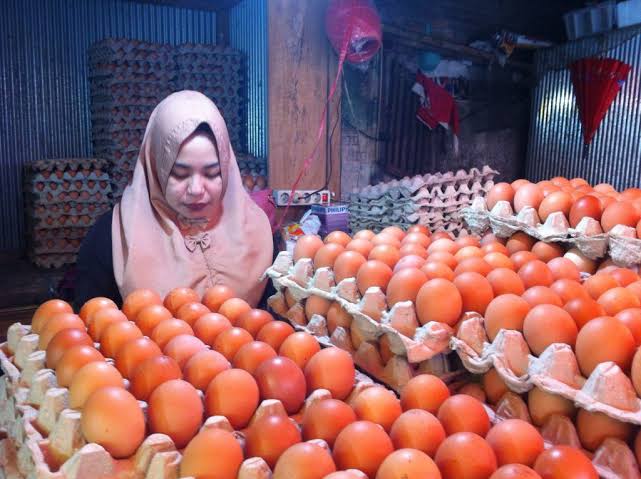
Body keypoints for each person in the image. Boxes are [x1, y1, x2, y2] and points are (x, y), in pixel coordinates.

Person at [73, 91, 274, 309]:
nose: (196, 189)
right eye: (179, 174)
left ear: (227, 169)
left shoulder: (255, 229)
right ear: (155, 166)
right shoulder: (113, 238)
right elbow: (92, 326)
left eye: (212, 173)